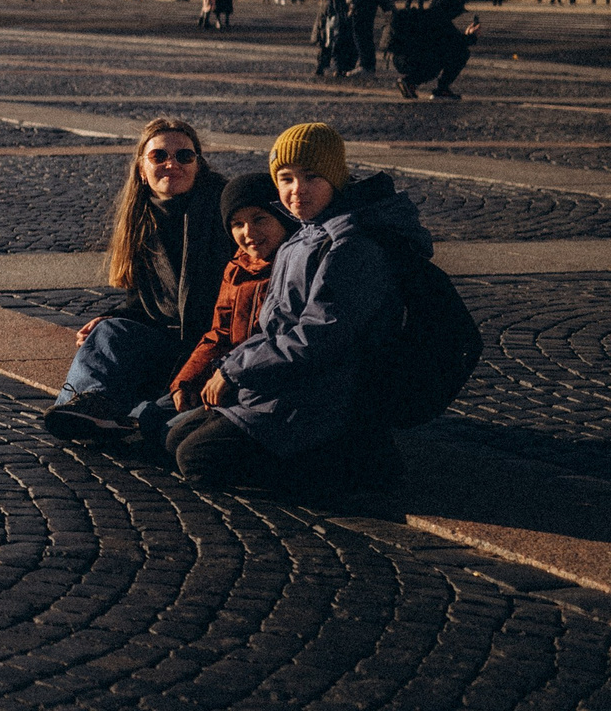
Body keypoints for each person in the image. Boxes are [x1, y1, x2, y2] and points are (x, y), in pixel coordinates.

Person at [165, 124, 420, 504]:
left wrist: (234, 370)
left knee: (197, 459)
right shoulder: (303, 234)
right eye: (285, 178)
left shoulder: (350, 246)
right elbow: (272, 327)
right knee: (173, 439)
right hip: (287, 383)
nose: (296, 190)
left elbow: (317, 339)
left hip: (325, 395)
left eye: (311, 177)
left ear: (335, 178)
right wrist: (230, 368)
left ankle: (352, 464)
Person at [41, 116, 229, 441]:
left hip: (213, 348)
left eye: (184, 156)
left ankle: (127, 420)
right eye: (159, 156)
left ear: (199, 165)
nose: (172, 164)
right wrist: (112, 318)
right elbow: (144, 306)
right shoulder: (142, 222)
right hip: (169, 345)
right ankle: (88, 405)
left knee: (159, 420)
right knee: (108, 331)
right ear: (142, 170)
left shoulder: (225, 211)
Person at [141, 175, 290, 454]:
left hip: (250, 384)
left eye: (260, 219)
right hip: (224, 373)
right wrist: (187, 380)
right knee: (151, 417)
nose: (249, 232)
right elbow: (219, 333)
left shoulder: (286, 269)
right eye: (238, 224)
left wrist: (228, 376)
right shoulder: (237, 268)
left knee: (169, 436)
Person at [389, 0, 480, 100]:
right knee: (461, 53)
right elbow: (458, 43)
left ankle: (411, 83)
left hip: (400, 60)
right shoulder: (441, 21)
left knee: (436, 55)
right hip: (413, 60)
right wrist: (473, 35)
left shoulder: (428, 15)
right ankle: (438, 88)